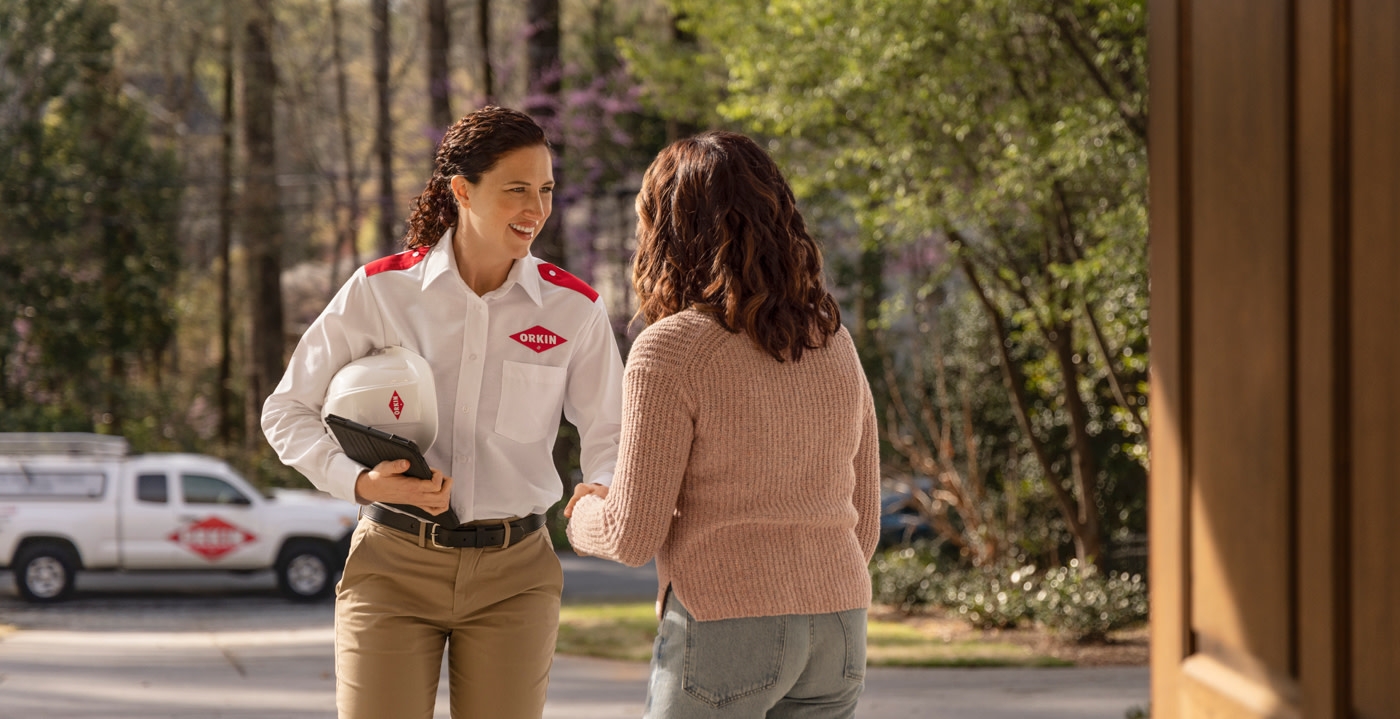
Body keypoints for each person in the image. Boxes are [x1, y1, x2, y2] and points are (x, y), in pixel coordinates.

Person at [261, 106, 623, 719]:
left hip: (517, 577)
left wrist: (602, 496)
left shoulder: (574, 310)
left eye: (546, 190)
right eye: (516, 189)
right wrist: (356, 481)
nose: (535, 207)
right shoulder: (379, 292)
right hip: (391, 567)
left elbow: (612, 432)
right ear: (462, 190)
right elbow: (287, 410)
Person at [564, 130, 881, 718]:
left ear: (668, 231)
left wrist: (583, 512)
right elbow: (863, 525)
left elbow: (632, 535)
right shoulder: (835, 342)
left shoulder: (672, 349)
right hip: (839, 625)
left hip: (724, 623)